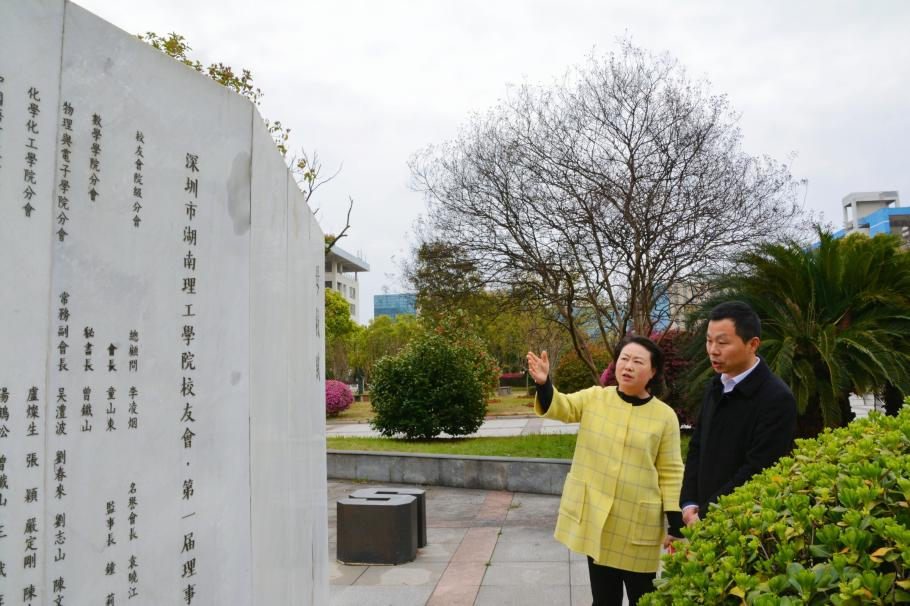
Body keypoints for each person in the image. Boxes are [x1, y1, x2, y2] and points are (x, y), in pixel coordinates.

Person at [527, 336, 683, 606]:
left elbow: (671, 471)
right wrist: (544, 383)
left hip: (639, 524)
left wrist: (676, 524)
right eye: (624, 358)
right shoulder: (595, 398)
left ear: (653, 371)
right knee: (604, 599)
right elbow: (563, 407)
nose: (628, 366)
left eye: (638, 361)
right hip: (599, 521)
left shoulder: (665, 416)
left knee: (644, 598)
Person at [679, 301, 797, 529]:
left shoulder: (776, 398)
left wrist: (706, 514)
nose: (713, 350)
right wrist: (689, 503)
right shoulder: (716, 386)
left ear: (753, 344)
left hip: (743, 526)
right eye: (709, 340)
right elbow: (697, 447)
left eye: (722, 342)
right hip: (700, 519)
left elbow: (758, 469)